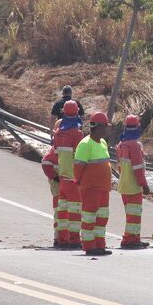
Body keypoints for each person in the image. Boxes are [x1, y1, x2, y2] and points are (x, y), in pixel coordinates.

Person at [74, 112, 113, 256]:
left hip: (103, 189)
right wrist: (80, 183)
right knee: (90, 218)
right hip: (90, 189)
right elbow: (78, 167)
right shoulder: (85, 144)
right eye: (105, 127)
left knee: (102, 218)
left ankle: (99, 245)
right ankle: (90, 246)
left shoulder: (102, 143)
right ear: (99, 127)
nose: (107, 130)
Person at [53, 100, 85, 249]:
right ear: (77, 113)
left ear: (64, 113)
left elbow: (55, 153)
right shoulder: (78, 134)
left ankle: (62, 239)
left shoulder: (58, 133)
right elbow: (80, 159)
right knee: (75, 211)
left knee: (63, 211)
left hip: (62, 177)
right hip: (74, 179)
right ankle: (74, 240)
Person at [117, 115, 151, 249]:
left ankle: (135, 237)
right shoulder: (135, 146)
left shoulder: (121, 145)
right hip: (133, 186)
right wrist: (144, 185)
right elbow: (138, 169)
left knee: (131, 214)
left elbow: (120, 167)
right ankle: (130, 240)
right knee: (134, 215)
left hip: (124, 185)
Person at [40, 146, 62, 248]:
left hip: (68, 185)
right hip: (59, 187)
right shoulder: (59, 148)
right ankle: (59, 238)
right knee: (60, 212)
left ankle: (63, 238)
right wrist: (55, 177)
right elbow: (46, 162)